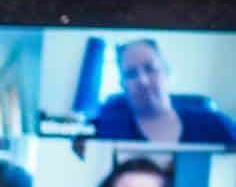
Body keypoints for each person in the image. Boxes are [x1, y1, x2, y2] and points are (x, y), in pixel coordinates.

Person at [93, 40, 236, 144]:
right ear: (122, 85)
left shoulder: (215, 124)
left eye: (150, 68)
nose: (143, 81)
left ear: (167, 73)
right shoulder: (105, 132)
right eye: (131, 74)